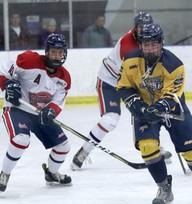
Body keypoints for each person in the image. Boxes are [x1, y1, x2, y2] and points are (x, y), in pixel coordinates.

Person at [117, 24, 192, 204]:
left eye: (154, 44)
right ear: (140, 44)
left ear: (161, 43)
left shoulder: (174, 64)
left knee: (190, 152)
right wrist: (136, 104)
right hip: (144, 110)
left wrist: (156, 108)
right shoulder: (130, 60)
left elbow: (172, 94)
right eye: (146, 45)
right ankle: (164, 188)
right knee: (147, 147)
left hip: (173, 109)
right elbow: (124, 86)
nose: (150, 48)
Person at [71, 12, 172, 170]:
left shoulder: (150, 41)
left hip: (131, 81)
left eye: (146, 27)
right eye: (140, 27)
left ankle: (154, 147)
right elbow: (131, 76)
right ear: (135, 27)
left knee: (148, 111)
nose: (143, 30)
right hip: (110, 82)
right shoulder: (128, 46)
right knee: (110, 119)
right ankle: (83, 152)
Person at [0, 34, 72, 192]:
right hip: (17, 108)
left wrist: (50, 111)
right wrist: (8, 83)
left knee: (63, 146)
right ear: (46, 52)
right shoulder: (30, 61)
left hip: (38, 114)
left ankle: (52, 174)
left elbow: (59, 101)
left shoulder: (64, 78)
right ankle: (4, 174)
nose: (57, 56)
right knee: (21, 139)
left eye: (60, 52)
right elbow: (5, 69)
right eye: (53, 52)